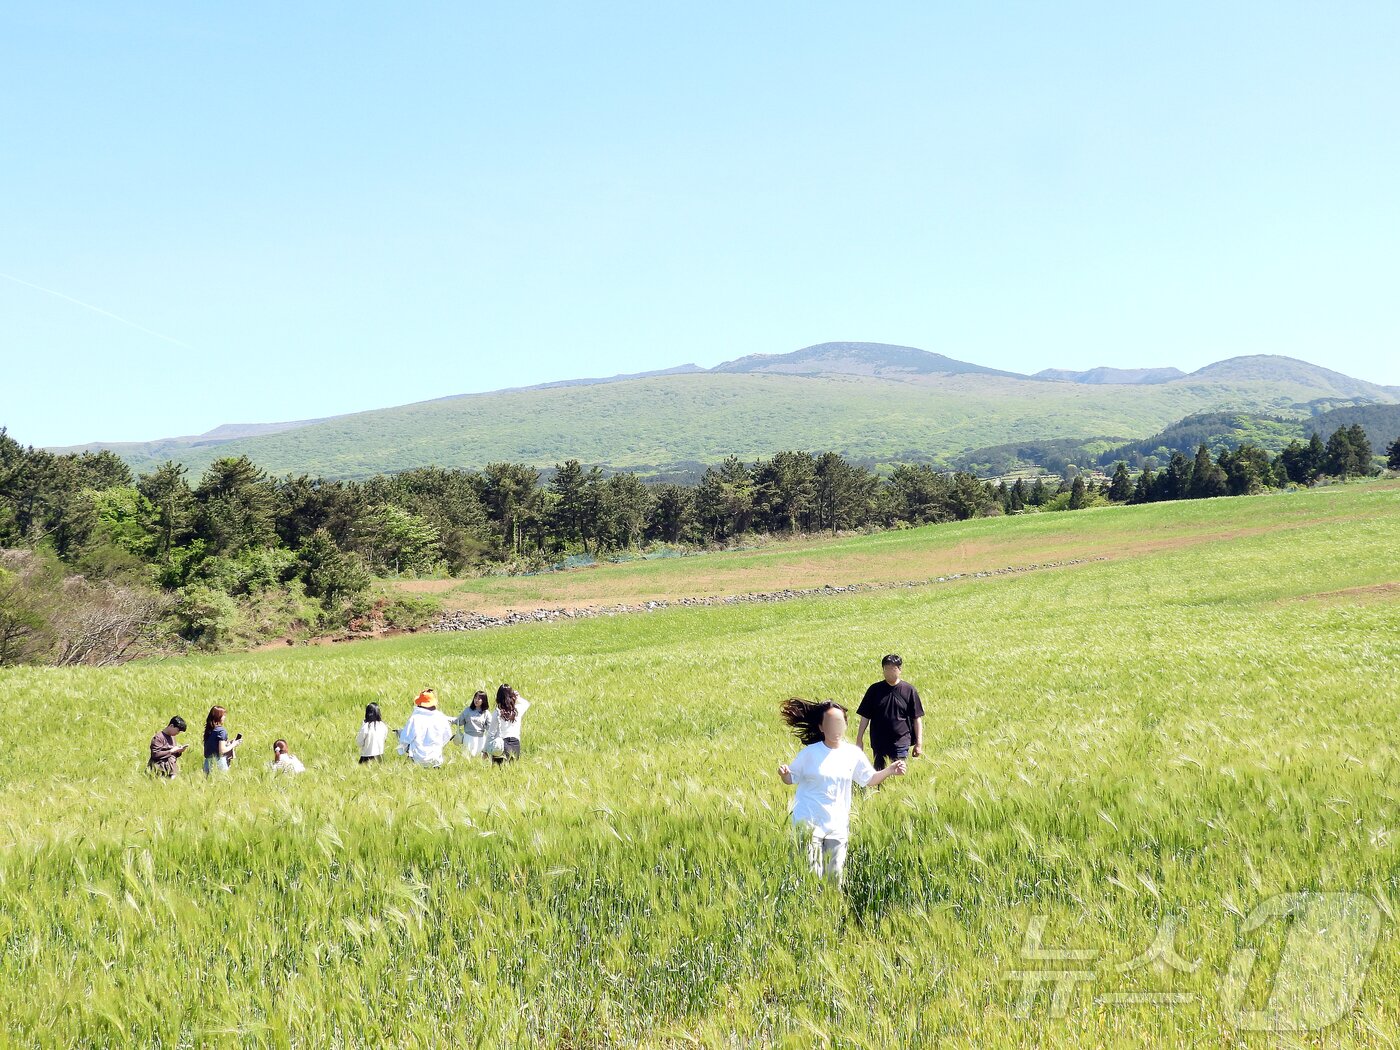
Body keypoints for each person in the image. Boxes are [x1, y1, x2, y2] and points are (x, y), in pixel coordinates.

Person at [778, 698, 905, 882]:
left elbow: (869, 779)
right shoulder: (809, 753)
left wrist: (890, 770)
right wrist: (784, 775)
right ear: (821, 727)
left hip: (837, 825)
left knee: (834, 878)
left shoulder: (852, 753)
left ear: (845, 724)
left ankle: (830, 911)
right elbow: (791, 778)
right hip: (808, 824)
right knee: (812, 878)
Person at [855, 654, 924, 771]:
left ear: (900, 670)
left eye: (893, 669)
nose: (889, 672)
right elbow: (865, 717)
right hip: (879, 742)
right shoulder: (874, 690)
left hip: (901, 742)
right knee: (879, 774)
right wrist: (859, 739)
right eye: (886, 669)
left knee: (899, 773)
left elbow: (916, 718)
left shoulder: (909, 690)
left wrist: (919, 743)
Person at [397, 689, 454, 768]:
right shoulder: (440, 717)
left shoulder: (415, 718)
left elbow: (406, 738)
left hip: (417, 758)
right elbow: (448, 735)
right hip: (436, 758)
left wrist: (402, 749)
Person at [491, 684, 531, 763]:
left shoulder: (497, 713)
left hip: (500, 744)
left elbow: (491, 732)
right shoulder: (517, 711)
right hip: (515, 743)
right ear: (511, 696)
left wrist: (485, 749)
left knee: (499, 771)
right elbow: (526, 703)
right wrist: (517, 697)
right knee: (512, 769)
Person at [452, 690, 494, 758]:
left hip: (480, 739)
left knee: (479, 759)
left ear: (483, 700)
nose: (476, 700)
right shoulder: (468, 710)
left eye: (479, 699)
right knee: (467, 758)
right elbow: (459, 721)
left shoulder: (486, 713)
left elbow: (490, 727)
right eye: (475, 698)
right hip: (468, 738)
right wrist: (449, 720)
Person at [203, 705, 242, 775]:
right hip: (219, 763)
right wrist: (233, 744)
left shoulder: (208, 731)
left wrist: (228, 743)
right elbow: (222, 750)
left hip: (207, 764)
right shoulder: (221, 731)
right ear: (218, 717)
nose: (224, 717)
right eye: (223, 715)